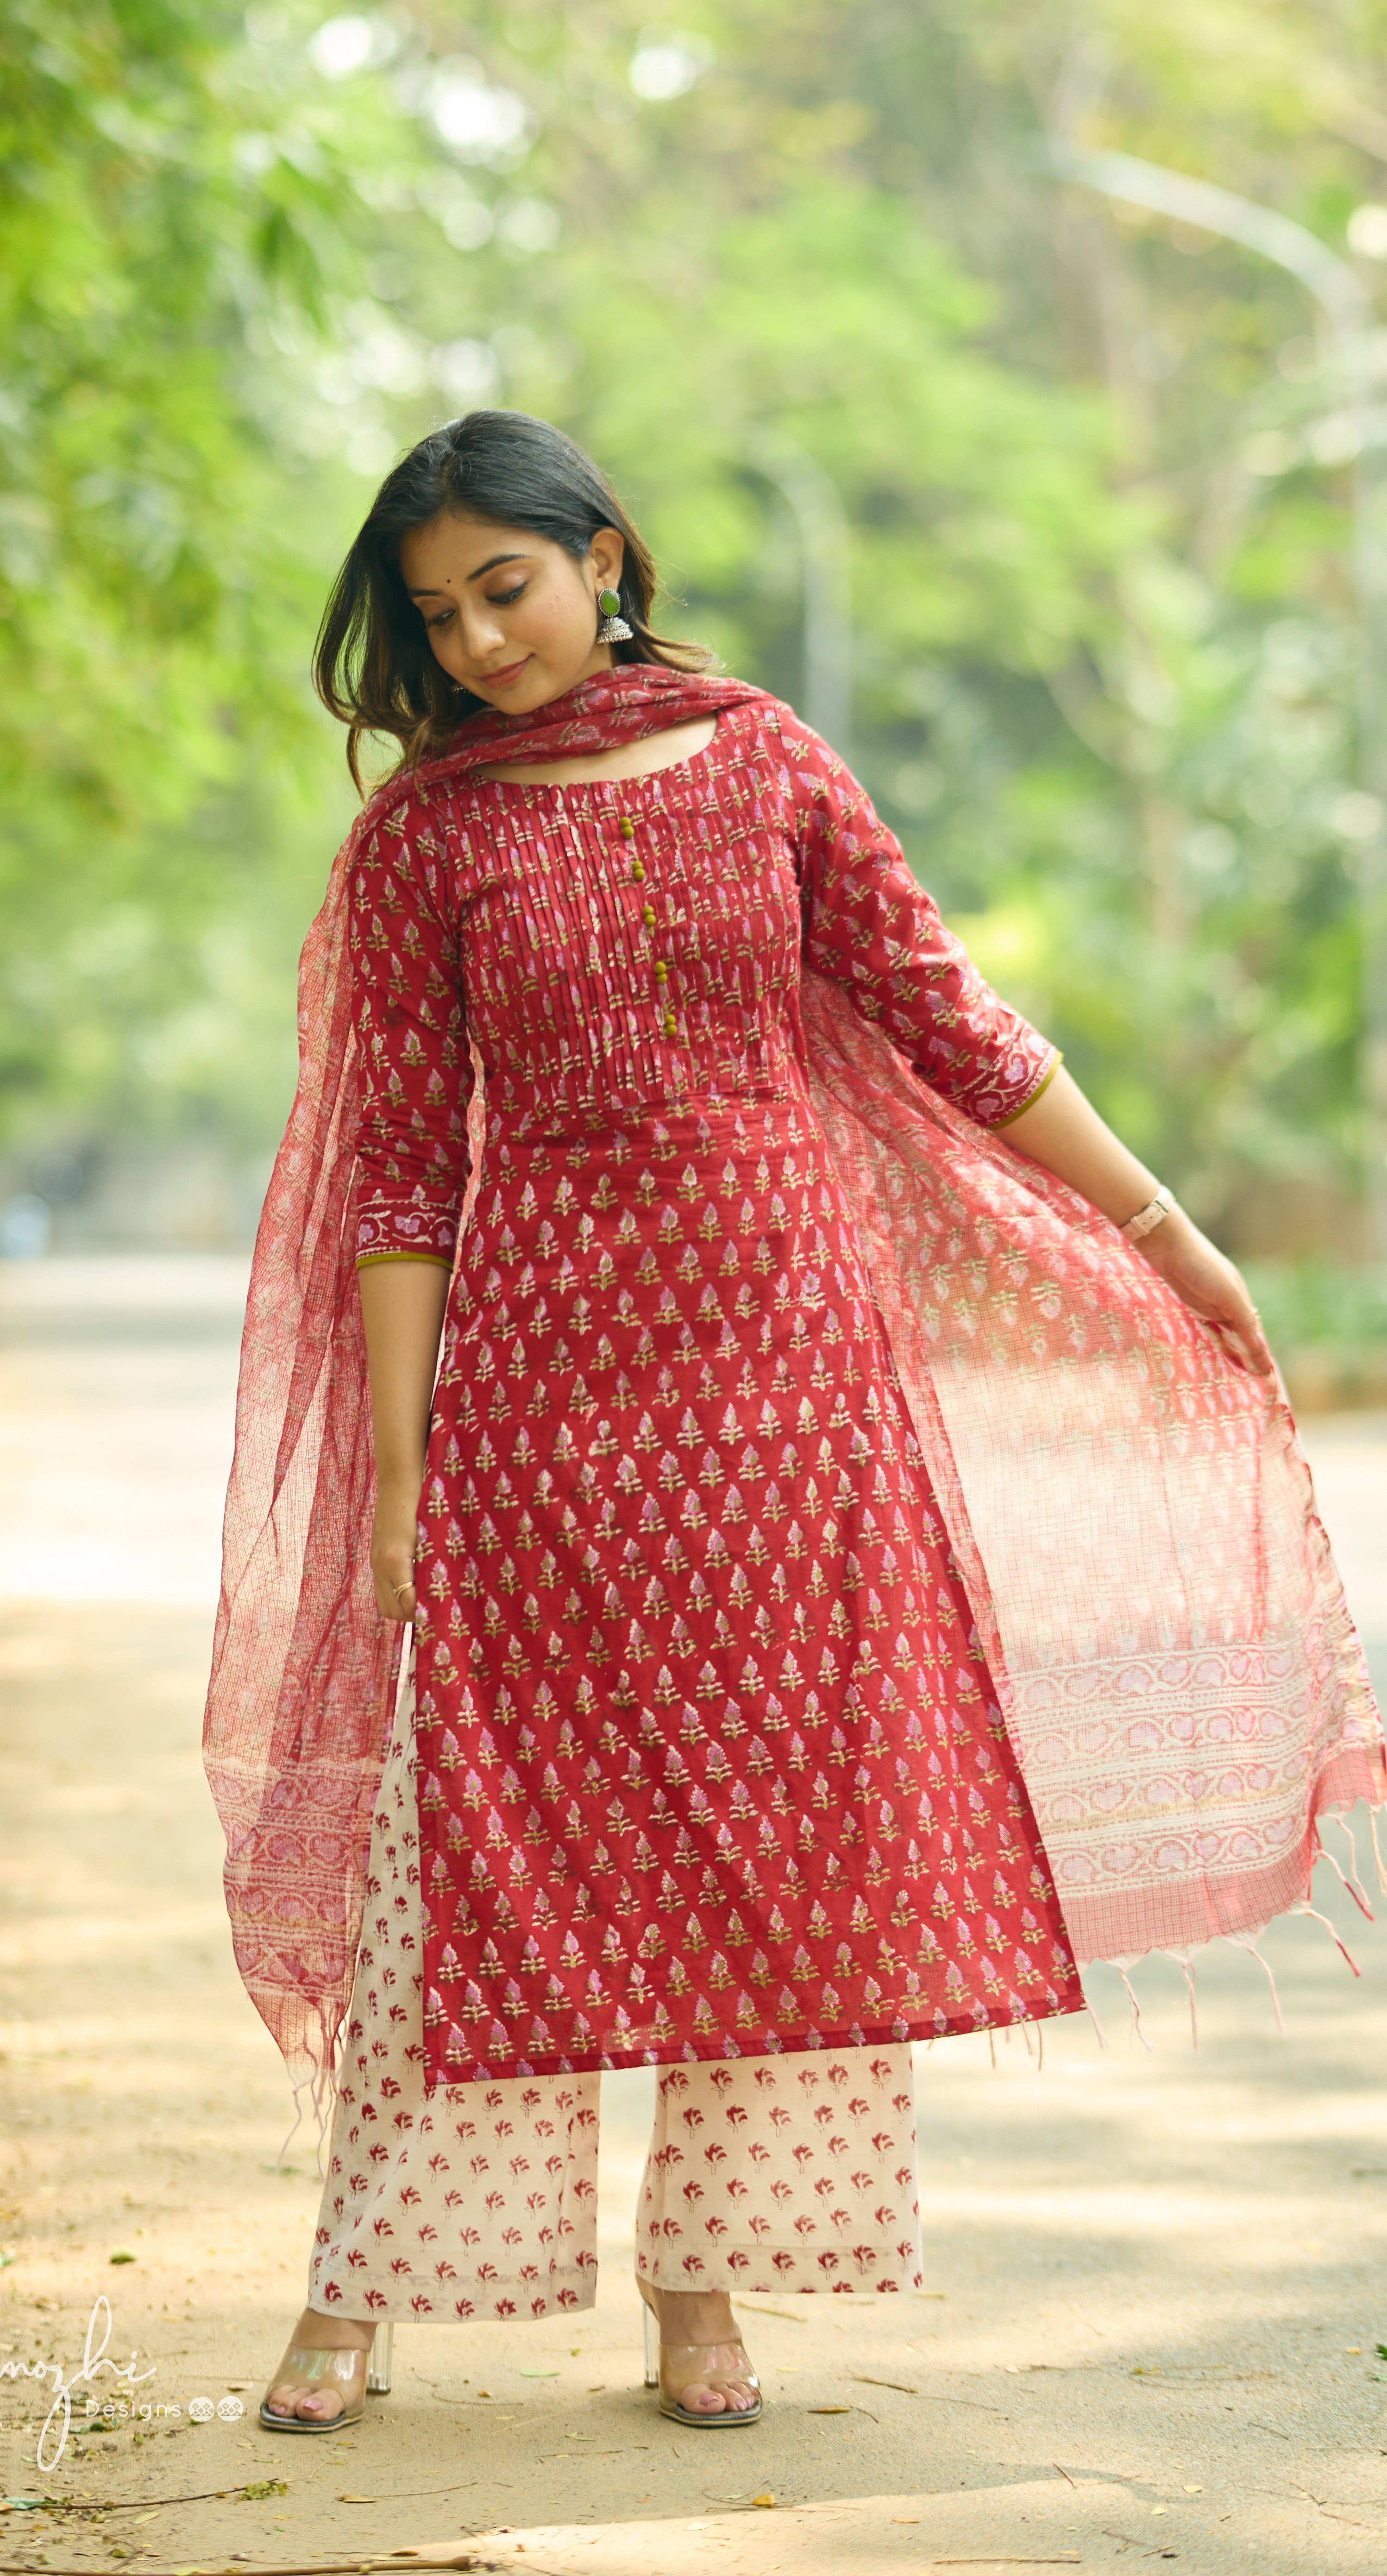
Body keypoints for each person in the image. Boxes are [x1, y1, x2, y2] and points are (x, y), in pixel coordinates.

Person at [202, 411, 1383, 2437]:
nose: (481, 642)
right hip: (542, 1388)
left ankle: (704, 2283)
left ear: (603, 555)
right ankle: (363, 2286)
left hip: (792, 1372)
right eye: (438, 615)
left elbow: (955, 1019)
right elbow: (400, 1171)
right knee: (469, 1835)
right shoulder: (429, 839)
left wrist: (1167, 1231)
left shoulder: (767, 761)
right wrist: (401, 1469)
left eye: (508, 586)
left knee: (779, 1833)